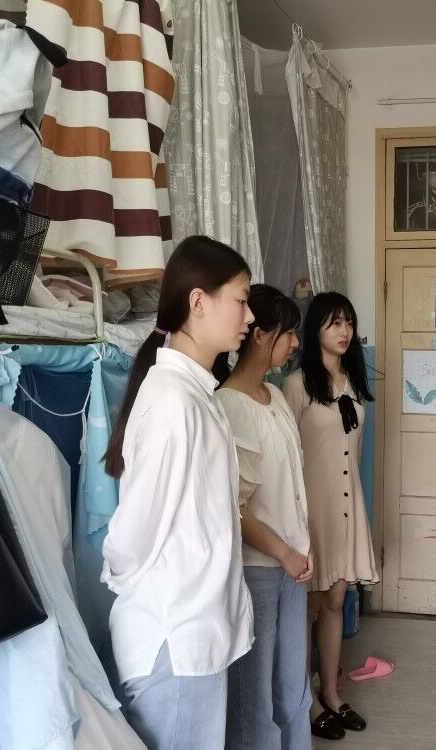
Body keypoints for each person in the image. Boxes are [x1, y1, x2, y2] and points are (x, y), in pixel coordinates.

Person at [100, 236, 255, 750]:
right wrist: (138, 593)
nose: (249, 316)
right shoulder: (173, 401)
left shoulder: (194, 394)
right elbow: (133, 533)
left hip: (192, 630)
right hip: (174, 634)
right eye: (241, 300)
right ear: (198, 302)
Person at [215, 284, 314, 749]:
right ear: (259, 335)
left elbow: (290, 486)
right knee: (254, 690)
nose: (294, 343)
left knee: (293, 683)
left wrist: (302, 550)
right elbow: (232, 509)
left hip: (293, 564)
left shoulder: (274, 396)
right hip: (259, 568)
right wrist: (284, 553)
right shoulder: (229, 406)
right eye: (288, 333)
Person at [283, 292, 379, 742]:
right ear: (315, 329)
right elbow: (287, 458)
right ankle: (305, 699)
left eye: (349, 323)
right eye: (334, 323)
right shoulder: (296, 385)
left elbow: (352, 452)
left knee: (338, 599)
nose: (344, 331)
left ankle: (332, 693)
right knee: (309, 603)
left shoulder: (355, 384)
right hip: (311, 507)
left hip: (346, 504)